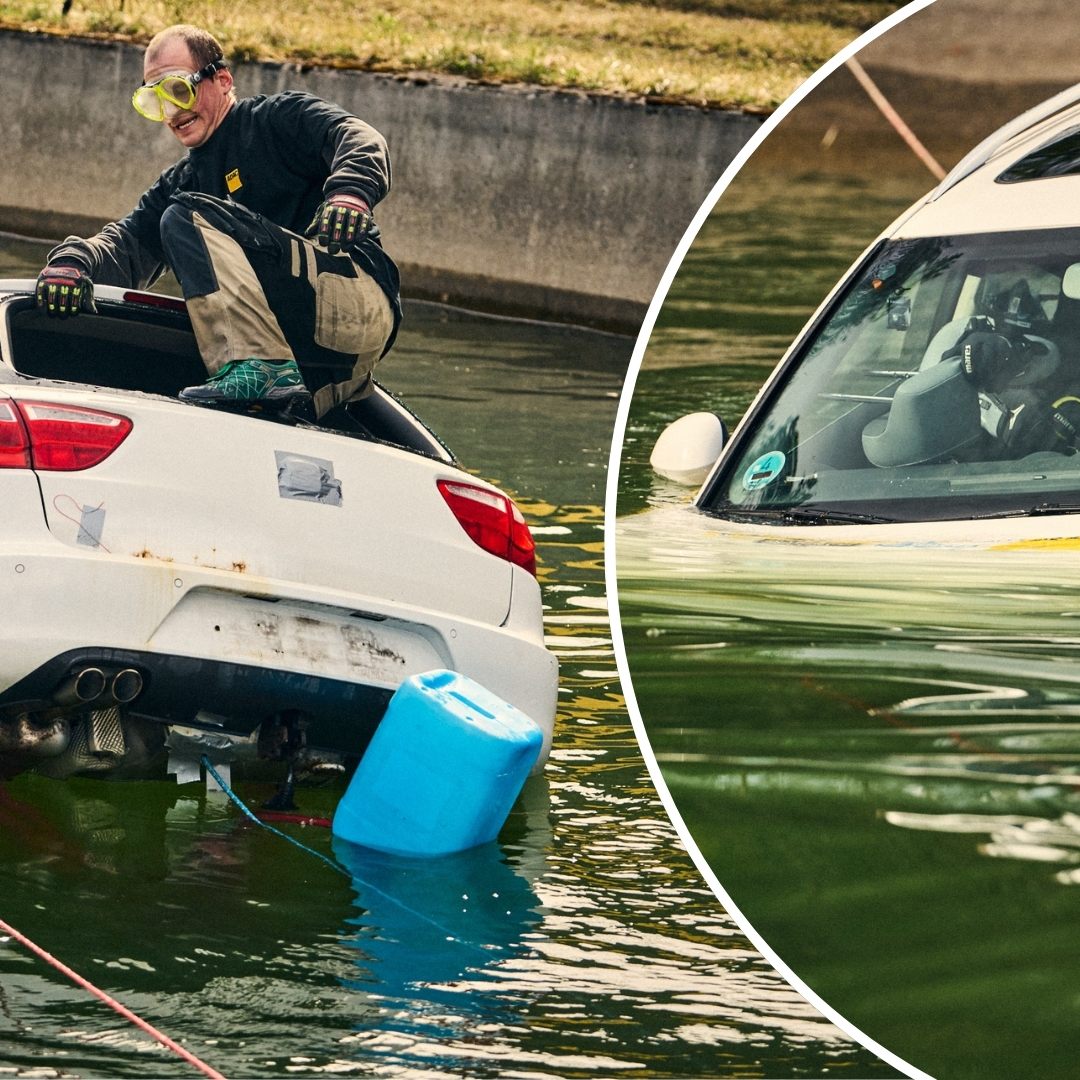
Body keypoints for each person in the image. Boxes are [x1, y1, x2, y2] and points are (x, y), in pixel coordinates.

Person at [34, 23, 401, 420]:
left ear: (222, 80)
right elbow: (125, 245)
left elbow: (361, 137)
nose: (172, 113)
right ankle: (268, 379)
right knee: (178, 214)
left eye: (178, 89)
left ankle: (260, 365)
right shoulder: (183, 180)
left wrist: (350, 193)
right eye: (154, 102)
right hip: (314, 359)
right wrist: (72, 262)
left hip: (356, 301)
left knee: (183, 214)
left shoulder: (276, 119)